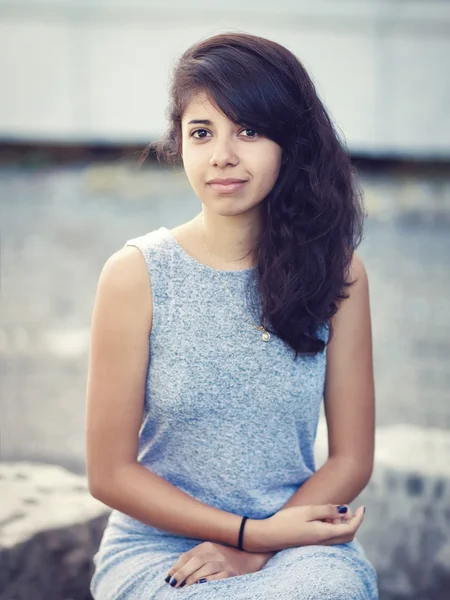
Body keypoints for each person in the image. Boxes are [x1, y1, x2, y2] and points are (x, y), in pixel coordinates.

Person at [86, 31, 379, 599]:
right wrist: (241, 534)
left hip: (294, 540)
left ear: (290, 143)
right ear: (181, 145)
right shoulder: (136, 275)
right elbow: (109, 473)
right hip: (158, 550)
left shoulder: (338, 273)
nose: (222, 154)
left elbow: (351, 457)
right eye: (202, 132)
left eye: (248, 130)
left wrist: (256, 546)